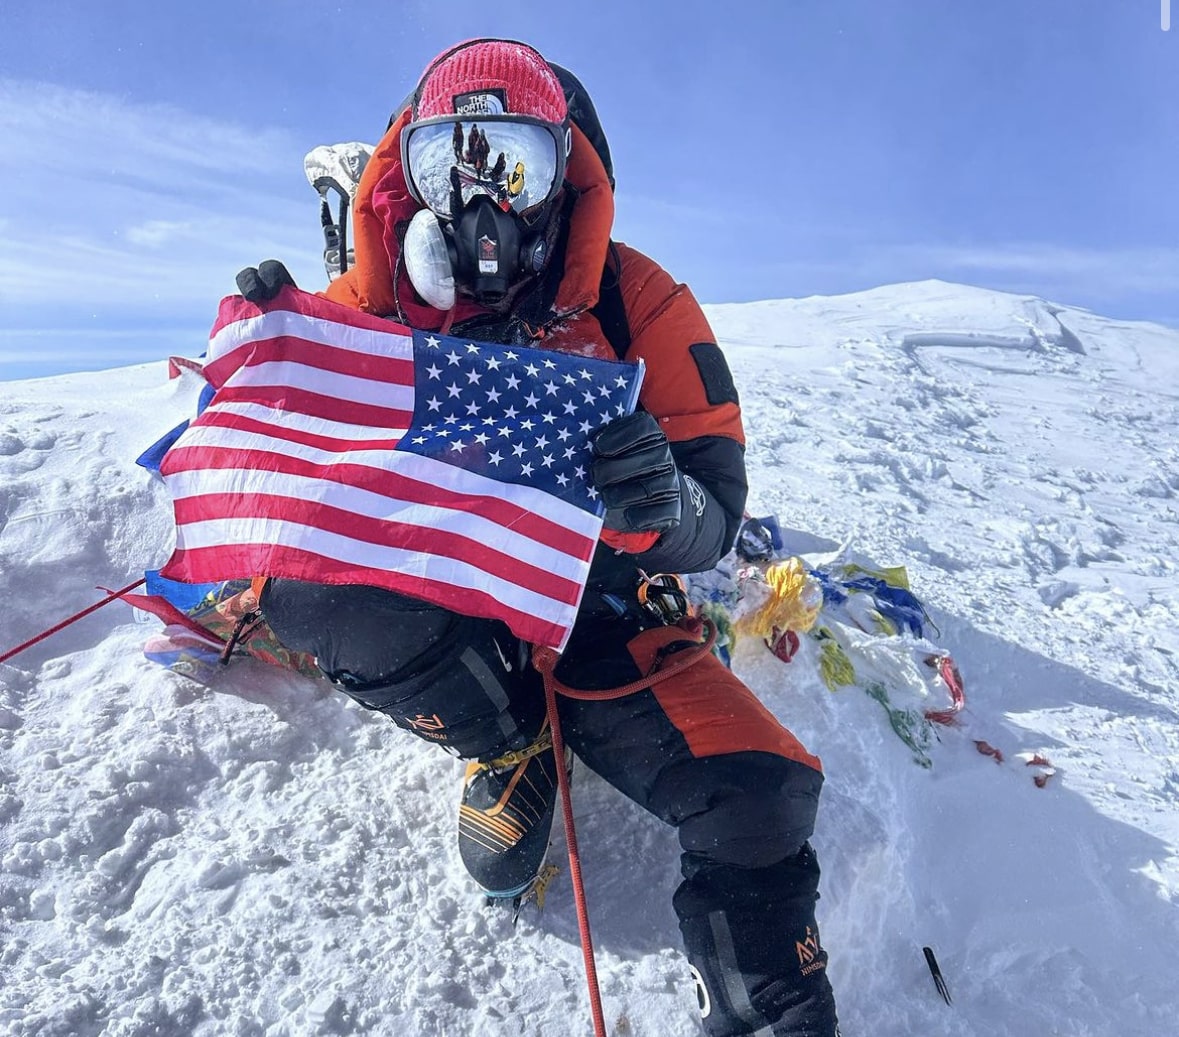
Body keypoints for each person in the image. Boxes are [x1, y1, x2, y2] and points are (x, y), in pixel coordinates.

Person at [235, 38, 839, 1037]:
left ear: (565, 177)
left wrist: (666, 509)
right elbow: (303, 471)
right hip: (447, 600)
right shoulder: (376, 301)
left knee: (763, 795)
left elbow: (719, 511)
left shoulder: (637, 300)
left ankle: (762, 1008)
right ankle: (505, 739)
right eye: (451, 167)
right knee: (299, 580)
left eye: (514, 167)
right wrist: (277, 352)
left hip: (604, 615)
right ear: (410, 182)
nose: (484, 206)